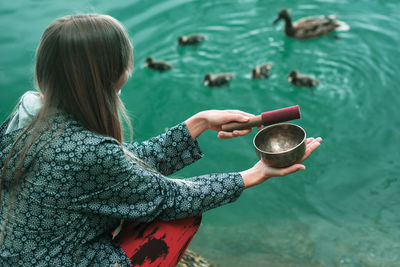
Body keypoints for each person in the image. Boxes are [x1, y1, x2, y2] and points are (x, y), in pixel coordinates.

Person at [0, 14, 322, 266]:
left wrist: (198, 123)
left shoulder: (26, 118)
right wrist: (254, 174)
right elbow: (169, 197)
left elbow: (122, 169)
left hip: (19, 255)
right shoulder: (90, 153)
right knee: (175, 220)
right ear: (117, 75)